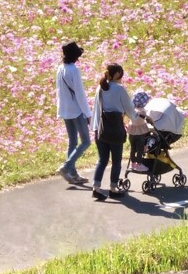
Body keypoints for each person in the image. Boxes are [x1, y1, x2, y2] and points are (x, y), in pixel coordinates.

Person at [90, 63, 140, 200]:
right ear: (117, 74)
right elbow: (129, 108)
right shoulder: (119, 89)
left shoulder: (100, 88)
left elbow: (96, 110)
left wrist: (95, 128)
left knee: (102, 160)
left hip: (100, 129)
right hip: (115, 129)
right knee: (116, 161)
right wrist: (137, 119)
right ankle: (113, 188)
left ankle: (96, 187)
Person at [55, 41, 91, 185]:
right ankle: (67, 167)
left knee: (73, 142)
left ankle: (73, 174)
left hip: (65, 109)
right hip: (76, 110)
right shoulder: (74, 70)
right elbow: (80, 94)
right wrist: (88, 113)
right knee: (86, 141)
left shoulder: (60, 68)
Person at [127, 89, 151, 172]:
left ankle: (132, 163)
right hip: (140, 132)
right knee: (139, 149)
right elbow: (146, 119)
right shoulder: (142, 111)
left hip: (132, 131)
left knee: (133, 149)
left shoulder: (131, 110)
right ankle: (139, 164)